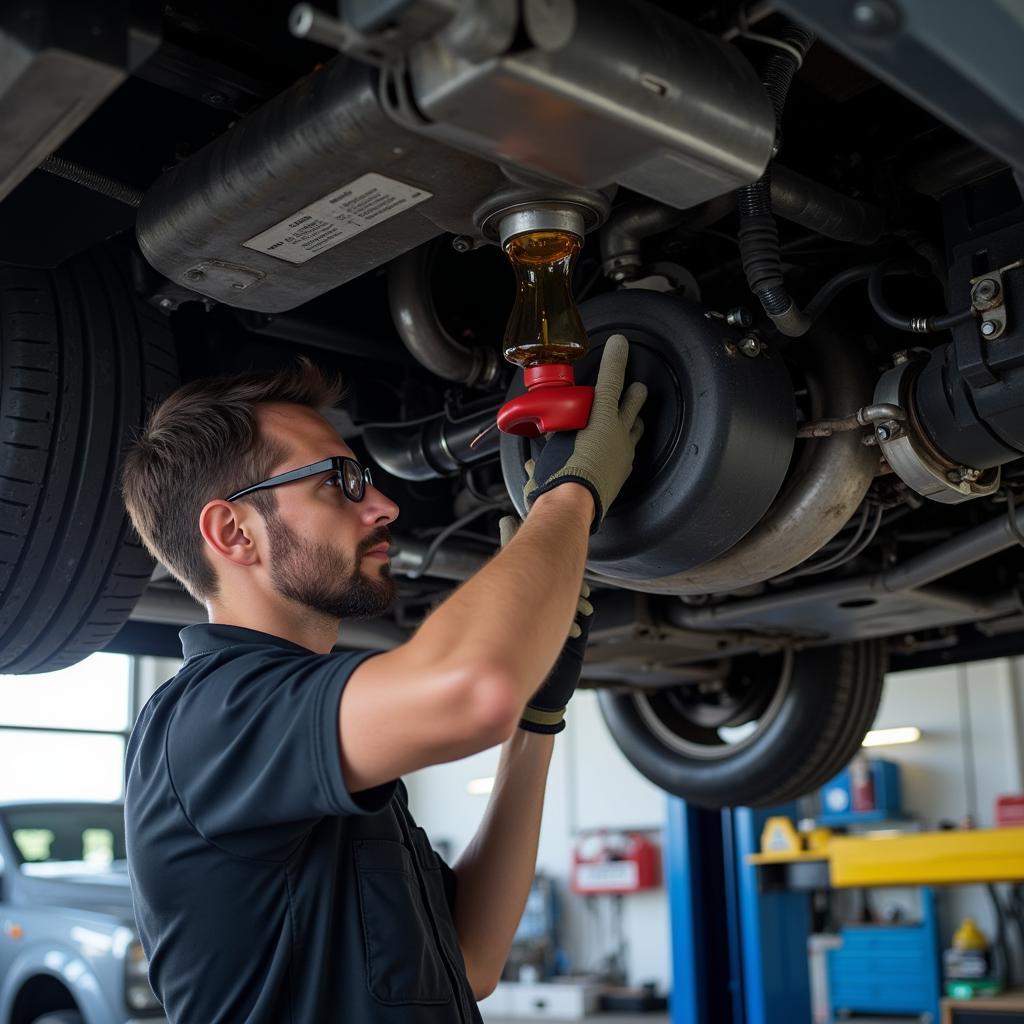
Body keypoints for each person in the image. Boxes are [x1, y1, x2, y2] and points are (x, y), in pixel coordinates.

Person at [120, 334, 646, 1023]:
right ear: (234, 532)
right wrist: (569, 494)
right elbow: (474, 688)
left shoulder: (305, 735)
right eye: (337, 483)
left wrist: (536, 721)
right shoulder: (212, 716)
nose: (385, 507)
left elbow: (474, 957)